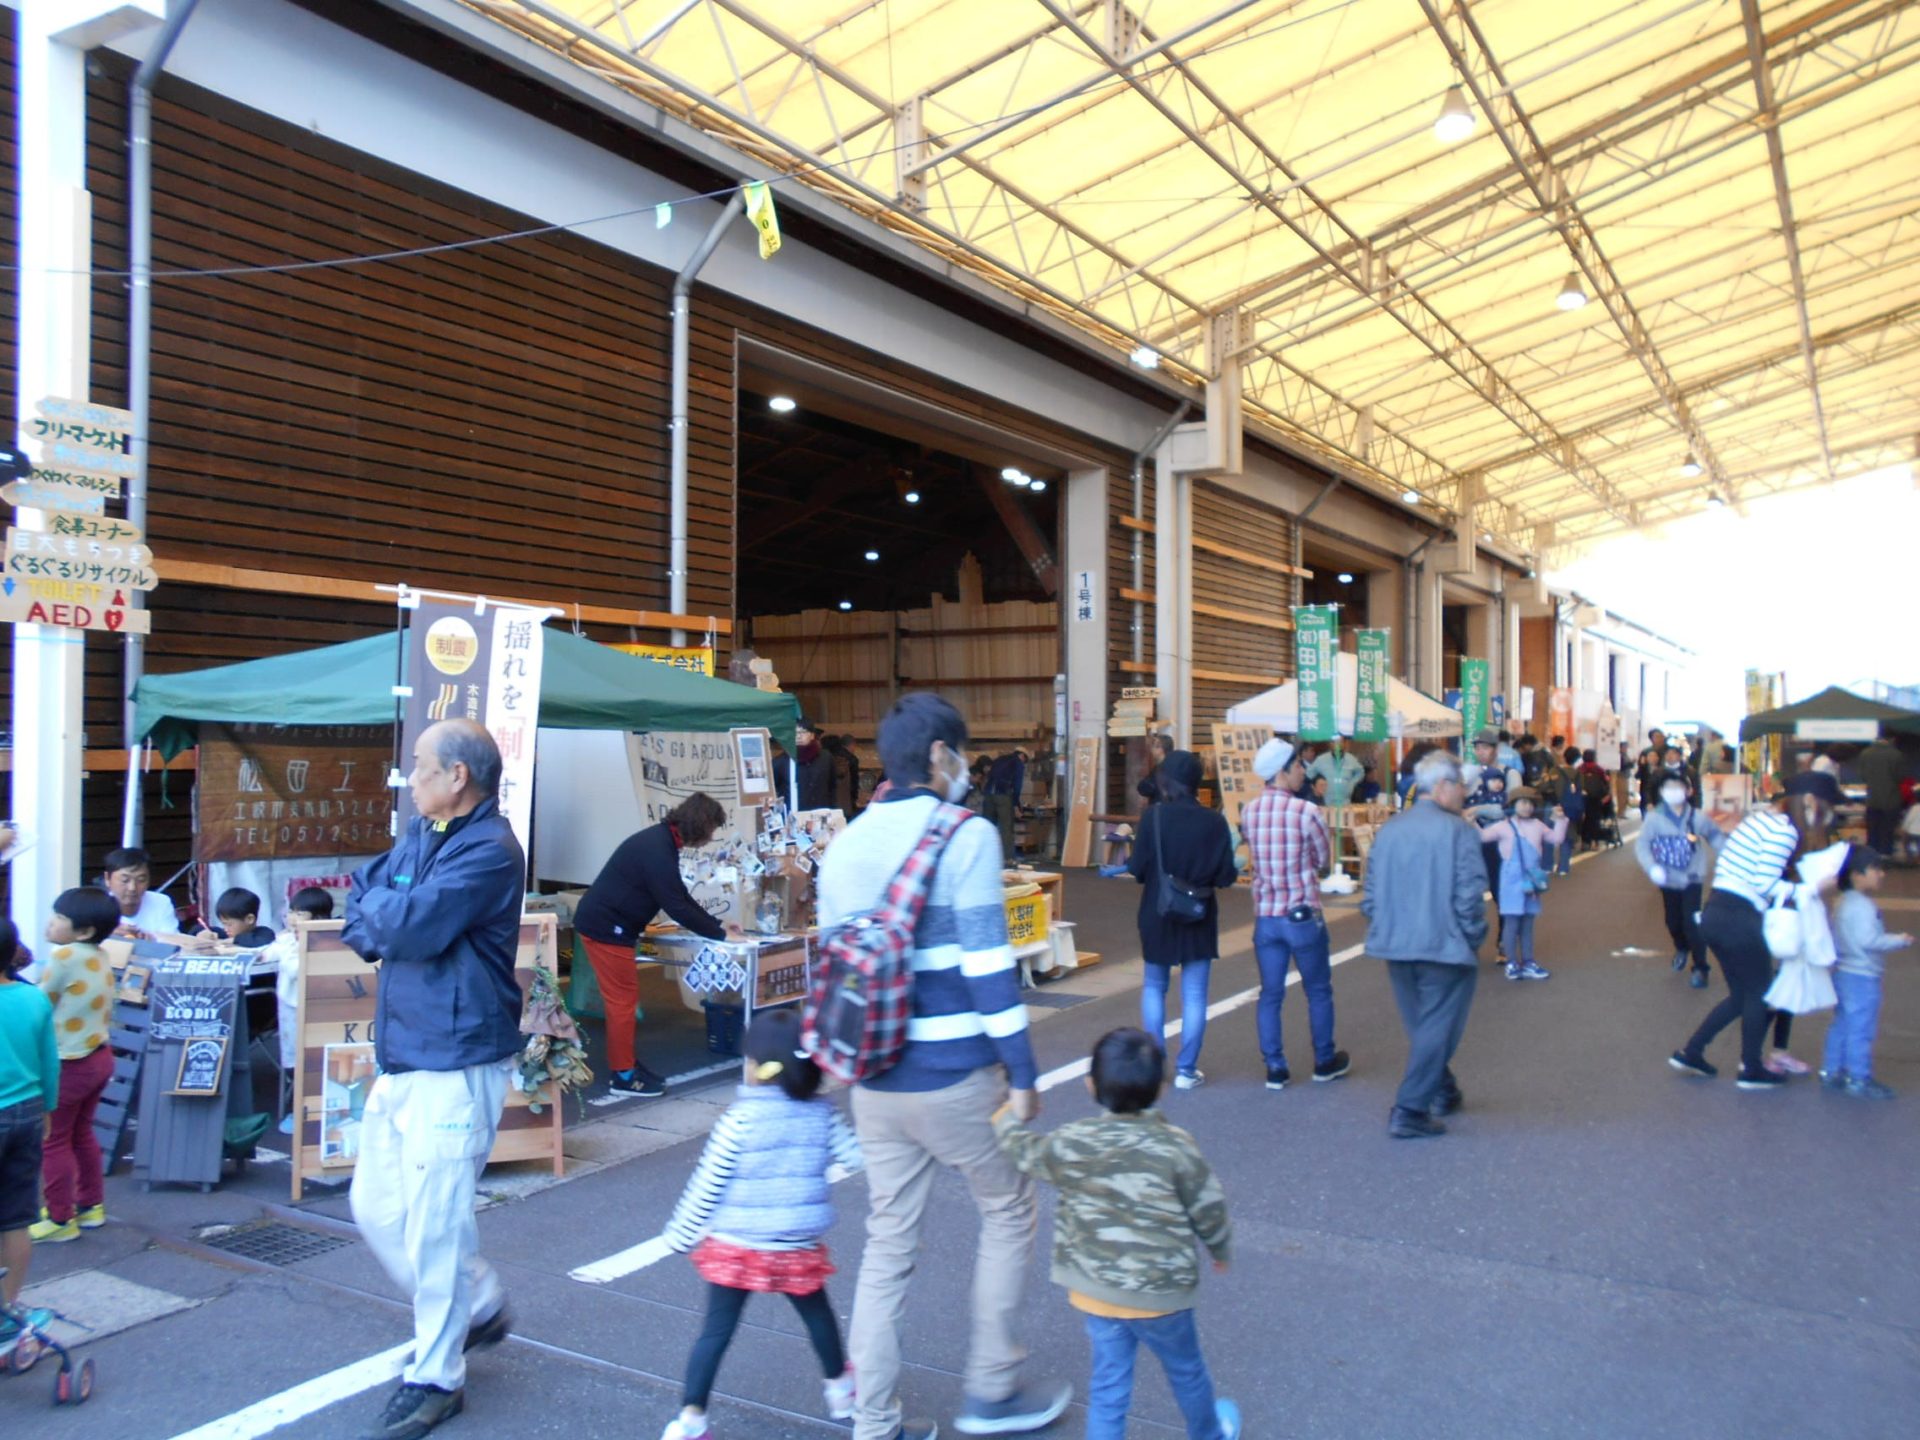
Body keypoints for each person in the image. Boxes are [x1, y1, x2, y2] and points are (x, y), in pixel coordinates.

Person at [815, 692, 1068, 1440]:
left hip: (874, 1080)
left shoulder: (846, 843)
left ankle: (873, 1421)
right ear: (939, 756)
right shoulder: (965, 835)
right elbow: (989, 968)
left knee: (889, 1242)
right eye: (961, 753)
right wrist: (1023, 1073)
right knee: (1008, 1208)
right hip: (957, 1076)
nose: (965, 768)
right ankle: (991, 1390)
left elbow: (837, 971)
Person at [343, 719, 526, 1440]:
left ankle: (437, 1378)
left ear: (457, 776)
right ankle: (475, 1304)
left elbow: (406, 926)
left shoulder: (489, 850)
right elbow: (366, 896)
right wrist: (385, 915)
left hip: (455, 1056)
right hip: (406, 1050)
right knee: (376, 1208)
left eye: (419, 765)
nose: (407, 776)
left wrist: (386, 916)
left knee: (435, 1228)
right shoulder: (425, 833)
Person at [993, 1028, 1240, 1440]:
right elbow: (1207, 1205)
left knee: (1109, 1386)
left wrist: (1003, 1116)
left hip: (1098, 1291)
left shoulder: (1074, 1142)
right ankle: (1210, 1433)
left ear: (1090, 1085)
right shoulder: (1175, 1146)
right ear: (1161, 1088)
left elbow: (1026, 1152)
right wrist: (1220, 1249)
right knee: (1186, 1371)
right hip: (1163, 1294)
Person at [657, 1008, 863, 1440]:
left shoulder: (738, 1120)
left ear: (754, 1066)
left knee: (716, 1331)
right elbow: (857, 1156)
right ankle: (842, 1394)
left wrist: (680, 1236)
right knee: (819, 1318)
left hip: (736, 1245)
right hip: (794, 1245)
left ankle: (691, 1420)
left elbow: (708, 1184)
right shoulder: (822, 1115)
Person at [1361, 751, 1487, 1139]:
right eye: (1462, 785)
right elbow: (1469, 894)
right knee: (1438, 1025)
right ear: (1443, 786)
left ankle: (1443, 1089)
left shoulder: (1391, 829)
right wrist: (1472, 937)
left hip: (1394, 942)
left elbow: (1370, 892)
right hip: (1443, 943)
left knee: (1423, 1023)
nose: (1465, 793)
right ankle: (1410, 1108)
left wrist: (1382, 925)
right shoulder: (1459, 831)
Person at [574, 793, 732, 1099]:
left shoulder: (661, 841)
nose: (711, 838)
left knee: (623, 1001)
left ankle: (627, 1064)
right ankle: (623, 1075)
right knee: (622, 1003)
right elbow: (676, 904)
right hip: (606, 928)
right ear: (700, 825)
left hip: (608, 924)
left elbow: (679, 896)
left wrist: (718, 926)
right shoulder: (658, 848)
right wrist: (720, 935)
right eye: (712, 830)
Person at [1669, 791, 1825, 1090]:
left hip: (1716, 912)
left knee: (1741, 996)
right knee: (1761, 993)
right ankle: (1751, 1068)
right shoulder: (1785, 831)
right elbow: (1764, 883)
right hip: (1740, 917)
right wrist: (1808, 890)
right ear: (1807, 803)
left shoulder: (1758, 821)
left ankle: (1692, 1052)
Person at [1127, 751, 1239, 1091]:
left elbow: (1137, 870)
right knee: (1194, 995)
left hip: (1157, 912)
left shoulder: (1153, 817)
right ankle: (1186, 1070)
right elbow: (1226, 876)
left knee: (1154, 987)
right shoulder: (1214, 822)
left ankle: (1155, 1065)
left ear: (1165, 781)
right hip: (1198, 913)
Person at [1242, 737, 1348, 1091]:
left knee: (1270, 994)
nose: (1303, 770)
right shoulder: (1306, 812)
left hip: (1266, 916)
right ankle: (1324, 1061)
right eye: (1298, 765)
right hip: (1301, 913)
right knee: (1317, 990)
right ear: (1282, 772)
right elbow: (1322, 858)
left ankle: (1275, 1067)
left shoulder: (1249, 812)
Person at [27, 888, 120, 1244]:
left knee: (53, 1139)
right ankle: (90, 1205)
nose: (50, 923)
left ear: (84, 931)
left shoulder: (64, 956)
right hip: (99, 1057)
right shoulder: (100, 954)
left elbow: (40, 1004)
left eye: (59, 918)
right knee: (81, 1133)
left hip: (69, 1063)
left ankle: (60, 1218)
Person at [0, 920, 59, 1353]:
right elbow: (49, 1062)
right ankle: (8, 1307)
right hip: (26, 1111)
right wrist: (48, 1110)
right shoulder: (33, 998)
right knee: (16, 1216)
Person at [1823, 846, 1912, 1099]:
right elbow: (1869, 940)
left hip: (1843, 972)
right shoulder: (1862, 906)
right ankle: (1858, 1077)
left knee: (1842, 1024)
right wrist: (1899, 940)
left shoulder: (1843, 902)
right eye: (1875, 869)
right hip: (1862, 976)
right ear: (1856, 874)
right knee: (1861, 1029)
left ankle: (1832, 1070)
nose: (1881, 874)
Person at [1635, 775, 1727, 988]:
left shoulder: (1697, 817)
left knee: (1692, 922)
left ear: (1688, 791)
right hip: (1666, 878)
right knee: (1673, 921)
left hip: (1692, 877)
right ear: (1661, 792)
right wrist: (1652, 867)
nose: (1673, 791)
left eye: (1678, 787)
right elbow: (1642, 845)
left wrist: (1729, 858)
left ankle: (1701, 967)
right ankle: (1682, 947)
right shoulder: (1654, 818)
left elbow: (1715, 836)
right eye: (1668, 787)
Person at [1478, 787, 1570, 981]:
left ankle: (1528, 962)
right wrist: (1471, 823)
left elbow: (1557, 838)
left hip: (1530, 880)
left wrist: (1560, 820)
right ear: (1512, 805)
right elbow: (1482, 837)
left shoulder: (1538, 825)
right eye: (1522, 802)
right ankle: (1511, 963)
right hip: (1510, 882)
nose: (1527, 806)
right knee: (1511, 923)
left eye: (1530, 803)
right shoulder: (1503, 826)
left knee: (1527, 923)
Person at [267, 886, 336, 1134]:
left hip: (317, 1011)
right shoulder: (288, 939)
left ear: (318, 918)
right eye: (291, 912)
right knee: (295, 1062)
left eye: (300, 913)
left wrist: (287, 948)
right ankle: (299, 1110)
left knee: (316, 1063)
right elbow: (266, 954)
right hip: (290, 1011)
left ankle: (314, 1111)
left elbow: (296, 969)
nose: (292, 919)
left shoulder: (323, 941)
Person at [101, 846, 181, 940]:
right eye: (125, 880)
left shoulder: (161, 902)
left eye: (141, 880)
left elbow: (173, 941)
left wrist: (149, 940)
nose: (132, 888)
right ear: (107, 878)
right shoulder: (97, 907)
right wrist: (107, 934)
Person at [777, 718, 837, 814]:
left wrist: (832, 809)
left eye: (803, 732)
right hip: (793, 815)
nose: (798, 736)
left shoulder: (826, 758)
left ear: (812, 735)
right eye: (794, 733)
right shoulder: (782, 761)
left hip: (821, 814)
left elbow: (832, 786)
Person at [981, 746, 1031, 863]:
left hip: (988, 795)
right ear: (1022, 756)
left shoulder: (999, 759)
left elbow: (989, 775)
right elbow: (1017, 785)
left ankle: (985, 857)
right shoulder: (1018, 763)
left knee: (988, 826)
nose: (1024, 762)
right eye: (1025, 760)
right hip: (1003, 795)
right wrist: (1017, 804)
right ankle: (1008, 858)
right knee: (1006, 828)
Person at [1857, 734, 1904, 856]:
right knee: (1887, 831)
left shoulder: (1865, 753)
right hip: (1891, 798)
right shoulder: (1896, 754)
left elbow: (1863, 776)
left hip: (1872, 799)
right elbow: (1900, 777)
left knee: (1872, 831)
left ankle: (1871, 856)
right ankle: (1885, 856)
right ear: (1892, 739)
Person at [195, 887, 276, 950]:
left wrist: (232, 940)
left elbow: (263, 941)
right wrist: (202, 934)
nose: (225, 929)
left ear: (249, 919)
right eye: (224, 924)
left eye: (229, 924)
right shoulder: (225, 934)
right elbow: (197, 929)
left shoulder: (263, 934)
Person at [1306, 737, 1364, 808]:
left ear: (1344, 744)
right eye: (1333, 742)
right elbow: (1309, 773)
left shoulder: (1351, 759)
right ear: (1330, 744)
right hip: (1326, 804)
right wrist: (1317, 784)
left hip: (1345, 804)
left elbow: (1361, 772)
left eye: (1340, 742)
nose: (1337, 745)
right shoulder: (1321, 760)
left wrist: (1352, 783)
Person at [1634, 728, 1670, 815]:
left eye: (1661, 736)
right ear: (1651, 739)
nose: (1660, 738)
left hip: (1664, 786)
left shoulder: (1669, 751)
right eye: (1657, 736)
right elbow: (1640, 771)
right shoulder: (1645, 751)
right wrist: (1642, 765)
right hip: (1647, 785)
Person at [1136, 732, 1175, 807]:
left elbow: (1144, 789)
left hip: (1160, 809)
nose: (1151, 749)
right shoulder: (1174, 766)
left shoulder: (1161, 769)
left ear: (1160, 749)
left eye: (1153, 745)